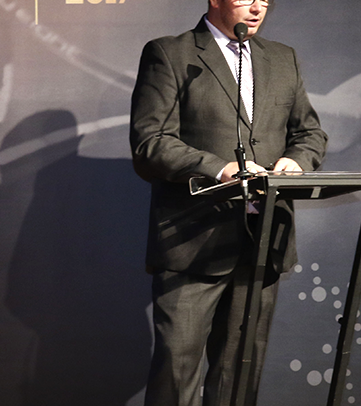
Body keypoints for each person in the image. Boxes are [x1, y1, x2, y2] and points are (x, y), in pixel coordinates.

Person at [129, 0, 327, 405]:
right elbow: (151, 142)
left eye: (264, 0)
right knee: (176, 371)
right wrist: (220, 168)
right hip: (193, 242)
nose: (257, 9)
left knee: (239, 374)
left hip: (262, 239)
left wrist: (297, 160)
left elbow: (309, 133)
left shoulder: (283, 58)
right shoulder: (171, 54)